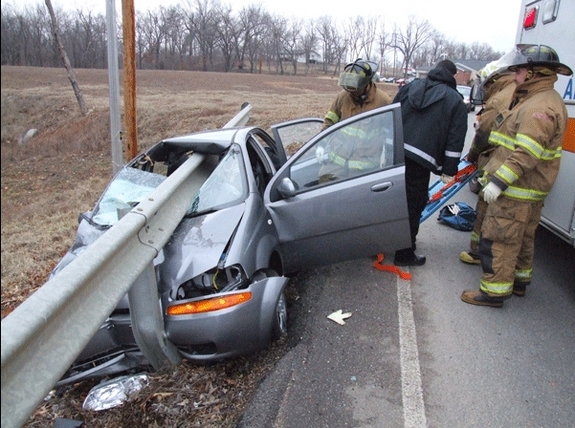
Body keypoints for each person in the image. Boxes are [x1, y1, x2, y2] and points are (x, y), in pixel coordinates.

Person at [461, 45, 572, 307]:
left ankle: (493, 293)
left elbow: (527, 153)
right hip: (529, 189)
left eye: (520, 70)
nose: (515, 75)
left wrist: (498, 182)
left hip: (516, 188)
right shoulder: (540, 98)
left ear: (534, 73)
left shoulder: (538, 106)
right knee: (522, 238)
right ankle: (520, 283)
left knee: (500, 239)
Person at [392, 59, 468, 266]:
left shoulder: (409, 87)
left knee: (391, 201)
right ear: (452, 75)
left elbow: (390, 115)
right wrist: (449, 169)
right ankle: (404, 254)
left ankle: (384, 243)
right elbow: (455, 139)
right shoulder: (455, 100)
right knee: (413, 206)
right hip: (421, 162)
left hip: (396, 154)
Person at [459, 62, 517, 265]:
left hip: (496, 163)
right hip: (514, 168)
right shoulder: (518, 92)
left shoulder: (499, 99)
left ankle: (477, 252)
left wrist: (472, 156)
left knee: (485, 211)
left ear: (493, 80)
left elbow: (483, 134)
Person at [316, 59, 392, 184]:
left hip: (364, 166)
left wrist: (388, 160)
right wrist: (321, 145)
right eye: (348, 87)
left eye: (354, 88)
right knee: (323, 182)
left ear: (366, 84)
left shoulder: (383, 101)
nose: (351, 91)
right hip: (337, 160)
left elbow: (391, 133)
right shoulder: (342, 97)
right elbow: (329, 123)